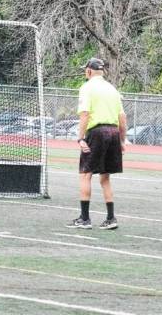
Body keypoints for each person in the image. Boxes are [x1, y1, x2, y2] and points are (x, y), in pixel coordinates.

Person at [67, 58, 126, 230]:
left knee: (86, 174)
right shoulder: (112, 89)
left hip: (97, 132)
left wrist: (81, 138)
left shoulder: (87, 87)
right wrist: (122, 140)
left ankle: (84, 219)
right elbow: (122, 118)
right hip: (113, 132)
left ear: (89, 71)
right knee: (105, 177)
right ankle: (111, 218)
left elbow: (85, 114)